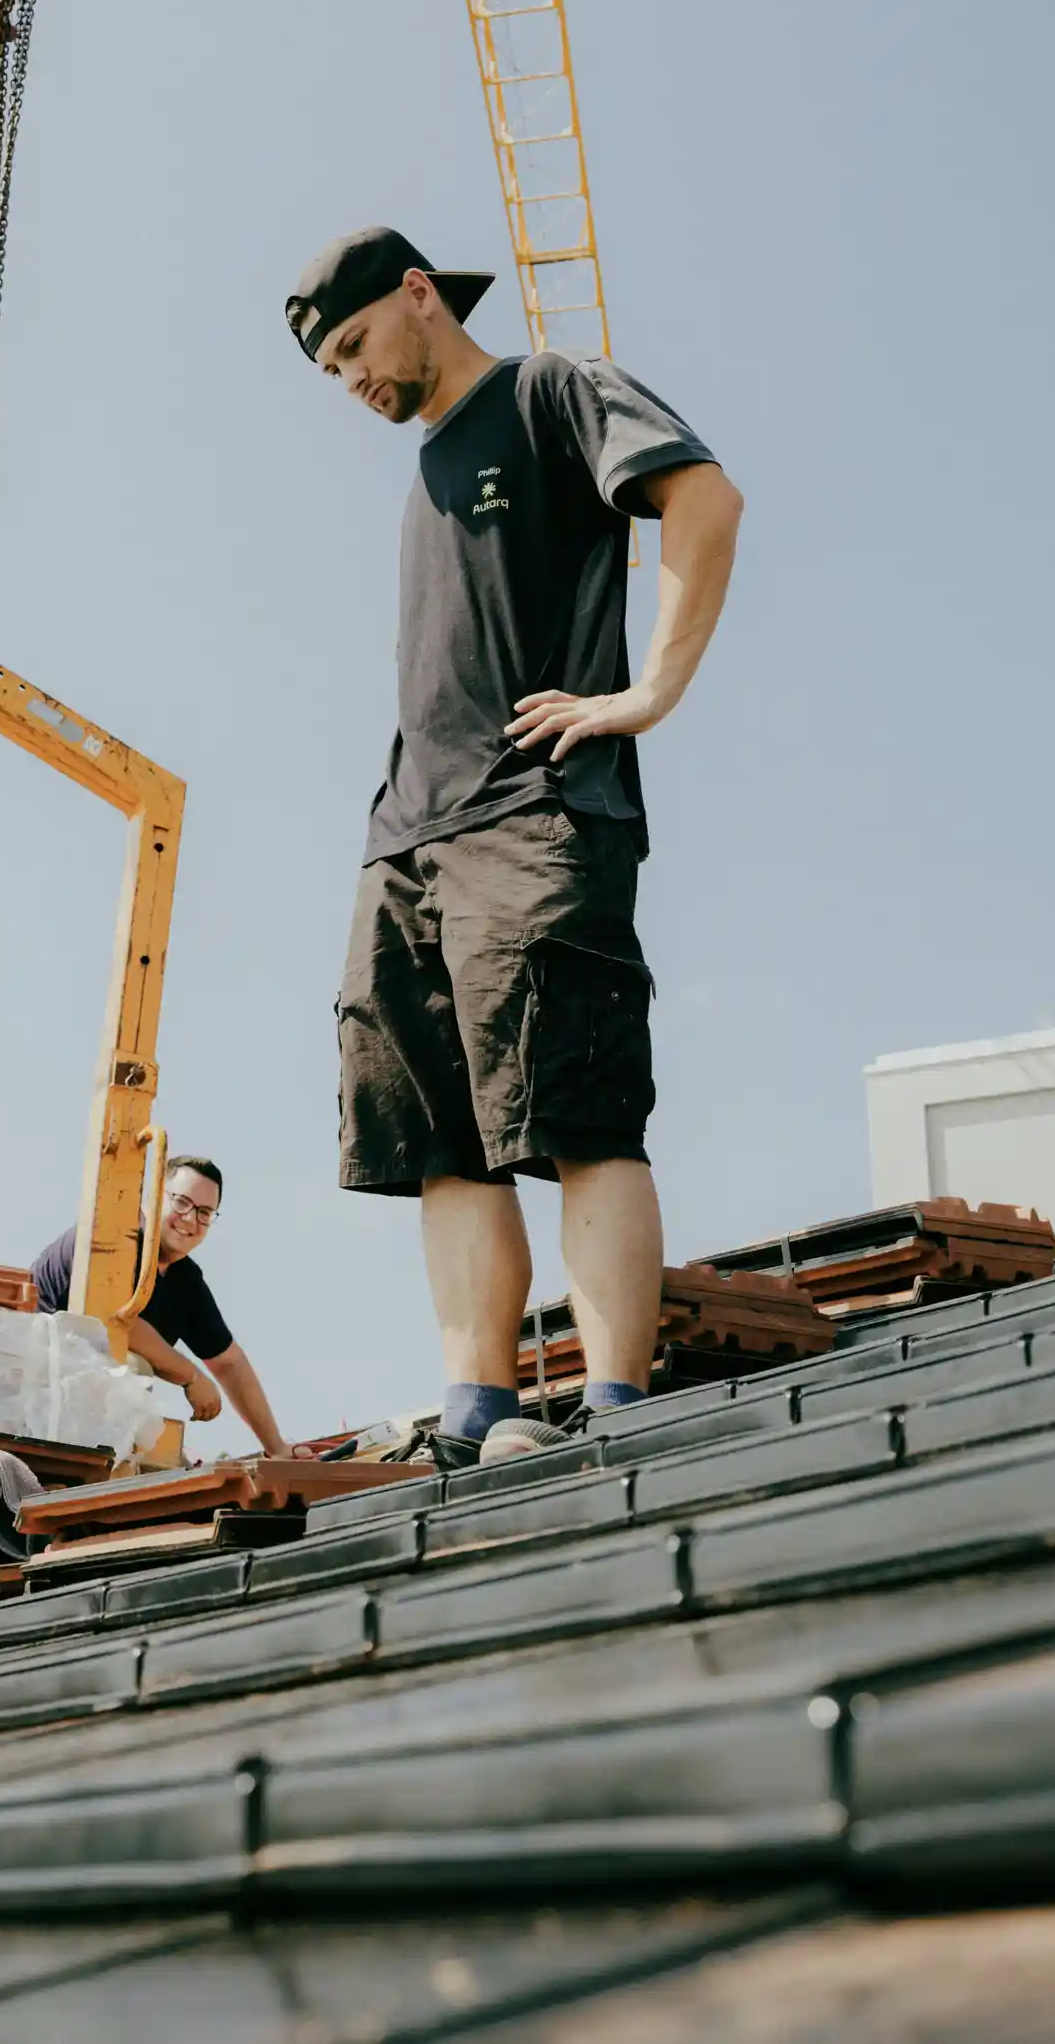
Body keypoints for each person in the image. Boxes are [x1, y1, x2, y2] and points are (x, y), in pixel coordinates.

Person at [286, 226, 743, 1468]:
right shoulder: (424, 472)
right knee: (440, 1139)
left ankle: (614, 1414)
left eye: (356, 346)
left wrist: (646, 694)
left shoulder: (550, 392)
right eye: (331, 372)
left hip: (536, 816)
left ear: (419, 296)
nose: (353, 381)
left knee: (579, 1113)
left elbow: (703, 495)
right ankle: (477, 1411)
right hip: (408, 837)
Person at [29, 1155, 290, 1458]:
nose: (191, 1219)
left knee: (178, 1475)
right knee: (130, 1369)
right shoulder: (110, 1239)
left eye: (204, 1212)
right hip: (35, 1391)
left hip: (92, 1413)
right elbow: (117, 1322)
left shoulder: (184, 1281)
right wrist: (191, 1376)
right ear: (153, 1197)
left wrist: (278, 1448)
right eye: (181, 1202)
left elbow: (229, 1363)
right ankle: (105, 1478)